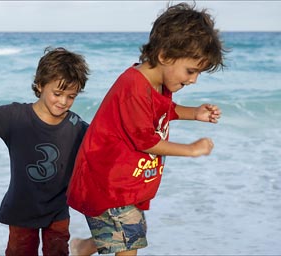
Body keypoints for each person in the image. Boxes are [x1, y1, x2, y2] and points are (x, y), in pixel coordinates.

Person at [67, 2, 226, 255]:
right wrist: (190, 149)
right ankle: (80, 247)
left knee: (125, 235)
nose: (193, 80)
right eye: (191, 71)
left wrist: (194, 113)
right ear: (164, 56)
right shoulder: (133, 87)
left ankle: (80, 248)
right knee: (130, 241)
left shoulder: (158, 85)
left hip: (127, 182)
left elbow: (164, 112)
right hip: (108, 183)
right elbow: (146, 141)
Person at [0, 47, 90, 256]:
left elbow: (103, 140)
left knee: (57, 252)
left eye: (71, 96)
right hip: (21, 209)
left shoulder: (76, 125)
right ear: (40, 85)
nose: (63, 101)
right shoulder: (16, 116)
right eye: (57, 93)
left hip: (57, 210)